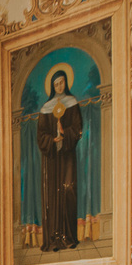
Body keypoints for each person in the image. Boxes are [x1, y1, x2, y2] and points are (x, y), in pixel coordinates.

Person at [38, 69, 82, 252]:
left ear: (66, 83)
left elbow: (78, 128)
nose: (59, 86)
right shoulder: (46, 108)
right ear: (52, 86)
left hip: (67, 154)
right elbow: (41, 135)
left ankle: (69, 237)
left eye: (62, 82)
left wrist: (65, 133)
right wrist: (52, 140)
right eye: (56, 84)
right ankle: (53, 239)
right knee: (52, 195)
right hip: (51, 159)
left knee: (68, 189)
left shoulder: (72, 103)